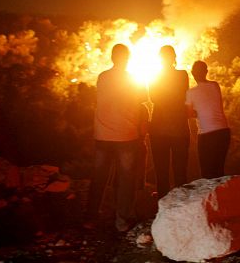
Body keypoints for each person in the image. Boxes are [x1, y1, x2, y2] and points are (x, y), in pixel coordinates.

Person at [86, 44, 147, 232]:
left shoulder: (102, 77)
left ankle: (90, 218)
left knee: (98, 177)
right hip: (126, 135)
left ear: (112, 58)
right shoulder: (134, 80)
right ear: (127, 58)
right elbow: (143, 100)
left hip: (102, 134)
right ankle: (122, 221)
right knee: (126, 179)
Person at [147, 45, 189, 198]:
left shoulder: (153, 76)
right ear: (174, 58)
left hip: (158, 128)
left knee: (161, 169)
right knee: (180, 170)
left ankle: (163, 204)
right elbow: (184, 96)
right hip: (178, 126)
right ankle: (182, 204)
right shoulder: (182, 75)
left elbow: (153, 98)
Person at [185, 61, 231, 178]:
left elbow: (188, 113)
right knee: (219, 171)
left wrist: (195, 112)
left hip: (207, 135)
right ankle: (221, 195)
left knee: (207, 174)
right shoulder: (215, 86)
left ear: (193, 74)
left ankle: (210, 196)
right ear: (206, 72)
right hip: (223, 132)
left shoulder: (190, 93)